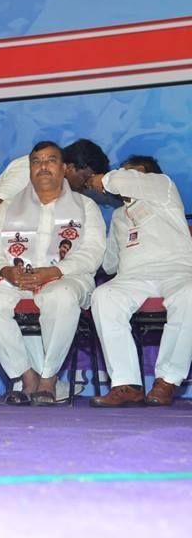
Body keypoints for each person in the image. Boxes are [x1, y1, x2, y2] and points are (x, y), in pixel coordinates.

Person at [0, 142, 105, 405]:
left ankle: (49, 378)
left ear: (64, 168)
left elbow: (93, 253)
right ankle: (26, 375)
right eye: (36, 161)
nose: (43, 166)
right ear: (30, 168)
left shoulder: (85, 206)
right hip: (18, 278)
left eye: (50, 160)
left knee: (62, 295)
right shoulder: (9, 206)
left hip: (66, 277)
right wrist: (5, 269)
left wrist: (55, 271)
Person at [88, 157, 192, 407]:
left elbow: (125, 181)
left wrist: (102, 179)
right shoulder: (117, 216)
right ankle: (127, 383)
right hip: (132, 278)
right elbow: (110, 264)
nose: (126, 178)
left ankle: (166, 381)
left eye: (133, 174)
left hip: (176, 272)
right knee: (104, 296)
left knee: (190, 295)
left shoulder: (163, 189)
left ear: (149, 176)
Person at [0, 139, 110, 230]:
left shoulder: (64, 188)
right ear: (70, 168)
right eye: (85, 179)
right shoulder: (31, 168)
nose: (85, 187)